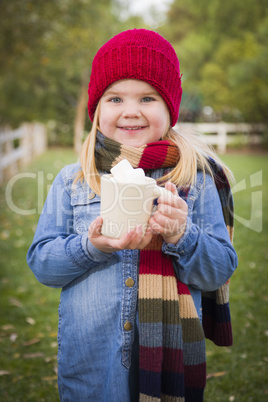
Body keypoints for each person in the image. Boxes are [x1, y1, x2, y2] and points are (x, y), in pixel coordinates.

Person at [27, 29, 238, 402]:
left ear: (169, 107)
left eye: (147, 97)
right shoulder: (73, 181)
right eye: (115, 98)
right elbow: (43, 263)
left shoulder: (195, 181)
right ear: (97, 109)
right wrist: (90, 246)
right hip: (92, 365)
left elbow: (218, 269)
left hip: (167, 364)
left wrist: (181, 234)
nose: (130, 110)